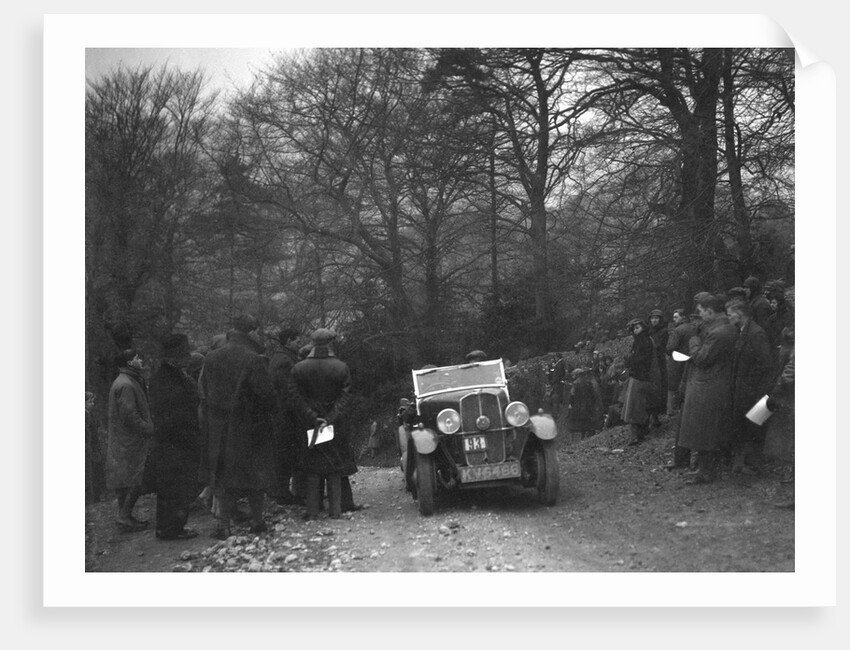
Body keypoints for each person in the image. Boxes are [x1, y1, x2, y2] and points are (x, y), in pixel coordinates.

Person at [199, 314, 279, 539]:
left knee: (223, 475)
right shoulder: (254, 358)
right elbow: (265, 394)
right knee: (255, 475)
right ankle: (258, 520)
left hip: (218, 426)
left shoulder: (211, 357)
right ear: (251, 331)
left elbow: (204, 389)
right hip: (249, 426)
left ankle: (223, 524)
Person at [289, 328, 359, 520]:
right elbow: (346, 396)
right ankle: (338, 509)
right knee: (335, 464)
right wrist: (330, 418)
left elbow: (295, 397)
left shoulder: (298, 368)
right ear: (330, 343)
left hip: (309, 423)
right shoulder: (341, 367)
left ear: (313, 344)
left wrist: (313, 417)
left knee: (312, 466)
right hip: (335, 423)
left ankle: (313, 510)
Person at [678, 294, 738, 484]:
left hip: (710, 386)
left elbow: (702, 359)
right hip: (710, 384)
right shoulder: (719, 329)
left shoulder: (719, 333)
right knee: (706, 431)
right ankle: (705, 470)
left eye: (702, 311)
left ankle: (707, 472)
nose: (700, 315)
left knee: (706, 431)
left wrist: (694, 341)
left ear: (710, 311)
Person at [148, 333, 201, 540]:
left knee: (175, 487)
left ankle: (172, 527)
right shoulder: (167, 380)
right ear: (174, 356)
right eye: (184, 353)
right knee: (175, 488)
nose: (188, 357)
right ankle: (171, 528)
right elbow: (173, 414)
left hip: (175, 441)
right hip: (175, 442)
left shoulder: (169, 376)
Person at [106, 349, 155, 531]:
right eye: (136, 358)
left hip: (125, 439)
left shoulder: (126, 381)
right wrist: (147, 428)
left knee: (126, 480)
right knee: (134, 478)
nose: (140, 360)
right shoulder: (126, 384)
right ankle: (124, 516)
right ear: (128, 362)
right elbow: (129, 415)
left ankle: (124, 516)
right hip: (130, 441)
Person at [726, 300, 774, 474]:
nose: (728, 317)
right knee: (742, 425)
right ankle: (741, 463)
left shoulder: (756, 333)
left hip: (753, 390)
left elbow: (765, 364)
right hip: (743, 388)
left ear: (739, 313)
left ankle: (752, 465)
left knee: (753, 427)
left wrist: (752, 386)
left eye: (730, 314)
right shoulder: (741, 332)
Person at [268, 327, 304, 505]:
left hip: (282, 414)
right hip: (285, 415)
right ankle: (282, 493)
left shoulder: (280, 357)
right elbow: (288, 391)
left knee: (285, 453)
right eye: (297, 340)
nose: (300, 343)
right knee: (286, 454)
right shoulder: (284, 360)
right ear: (288, 341)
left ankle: (283, 491)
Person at [621, 318, 654, 446]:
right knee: (637, 405)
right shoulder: (640, 341)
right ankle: (640, 432)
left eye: (638, 327)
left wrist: (629, 361)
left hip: (640, 377)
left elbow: (641, 359)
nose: (636, 331)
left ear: (643, 328)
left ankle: (635, 435)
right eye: (634, 329)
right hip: (639, 376)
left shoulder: (644, 341)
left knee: (634, 406)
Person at [646, 309, 669, 427]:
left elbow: (661, 346)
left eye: (656, 318)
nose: (654, 320)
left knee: (658, 387)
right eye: (652, 318)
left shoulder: (664, 331)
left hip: (659, 362)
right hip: (649, 362)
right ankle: (650, 416)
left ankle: (655, 416)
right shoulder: (648, 331)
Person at [565, 367, 599, 440]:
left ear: (577, 375)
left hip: (577, 404)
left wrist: (570, 403)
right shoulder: (588, 382)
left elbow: (572, 394)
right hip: (586, 405)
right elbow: (593, 395)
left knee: (573, 421)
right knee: (584, 422)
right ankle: (582, 438)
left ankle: (572, 439)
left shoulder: (575, 383)